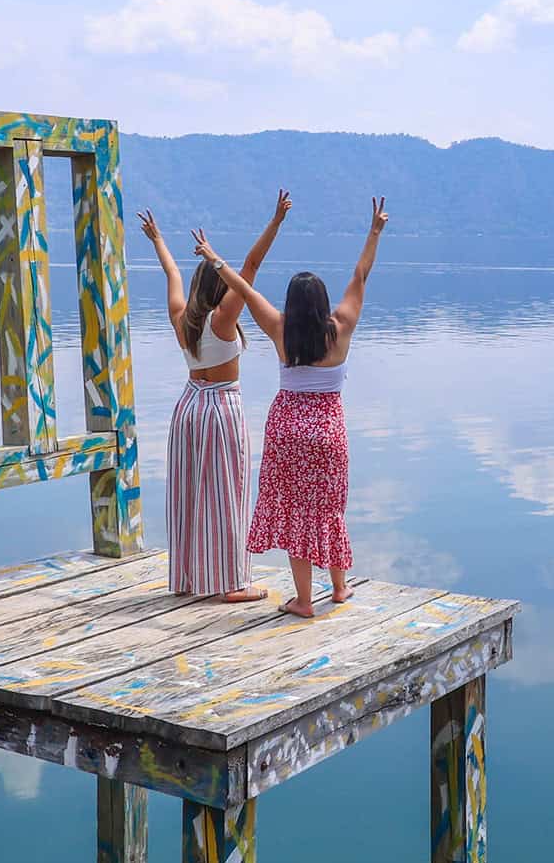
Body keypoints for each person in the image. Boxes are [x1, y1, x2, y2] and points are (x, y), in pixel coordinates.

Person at [190, 196, 388, 618]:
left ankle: (303, 601)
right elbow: (361, 274)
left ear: (292, 304)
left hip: (286, 428)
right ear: (322, 302)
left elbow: (244, 287)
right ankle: (338, 588)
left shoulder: (279, 328)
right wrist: (374, 232)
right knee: (329, 507)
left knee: (297, 509)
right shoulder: (341, 328)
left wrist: (214, 259)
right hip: (328, 430)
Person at [138, 190, 291, 602]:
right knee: (228, 492)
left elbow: (171, 275)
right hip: (221, 407)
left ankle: (190, 577)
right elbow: (253, 265)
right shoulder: (224, 321)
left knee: (190, 491)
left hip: (188, 407)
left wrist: (157, 240)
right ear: (221, 285)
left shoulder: (182, 320)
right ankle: (232, 583)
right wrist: (275, 221)